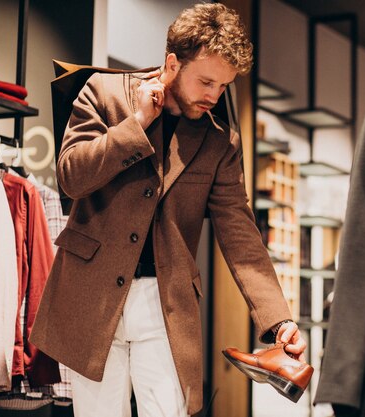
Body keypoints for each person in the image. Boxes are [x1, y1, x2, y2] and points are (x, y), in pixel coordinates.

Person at [30, 4, 306, 416]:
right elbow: (71, 176)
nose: (214, 96)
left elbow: (241, 234)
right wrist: (136, 126)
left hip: (165, 302)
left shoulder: (220, 143)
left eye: (224, 86)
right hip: (90, 298)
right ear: (173, 63)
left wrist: (278, 319)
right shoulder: (102, 95)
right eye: (207, 81)